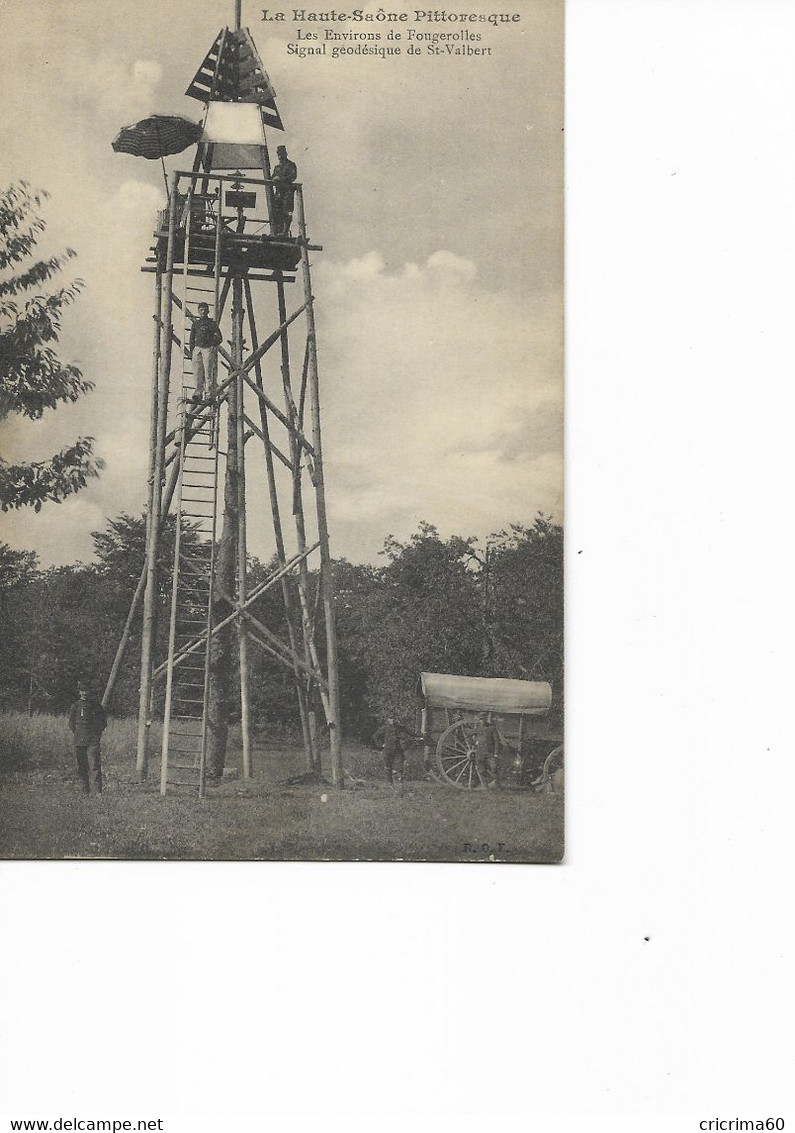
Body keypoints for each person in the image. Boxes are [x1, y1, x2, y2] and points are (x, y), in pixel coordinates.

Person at [68, 681, 107, 795]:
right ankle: (84, 791)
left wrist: (95, 734)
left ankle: (97, 792)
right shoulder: (75, 706)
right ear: (79, 692)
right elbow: (71, 724)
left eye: (86, 690)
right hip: (80, 740)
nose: (84, 693)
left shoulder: (96, 707)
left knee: (94, 765)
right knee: (82, 766)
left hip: (92, 741)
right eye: (82, 690)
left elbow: (103, 723)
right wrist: (79, 734)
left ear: (90, 692)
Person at [373, 715, 415, 793]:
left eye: (394, 718)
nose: (392, 720)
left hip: (397, 750)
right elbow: (375, 736)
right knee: (388, 767)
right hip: (387, 751)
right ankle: (390, 785)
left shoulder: (399, 727)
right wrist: (381, 745)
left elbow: (410, 732)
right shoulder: (385, 728)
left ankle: (401, 785)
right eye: (391, 718)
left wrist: (421, 734)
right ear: (388, 719)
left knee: (400, 766)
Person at [189, 302, 222, 400]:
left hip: (207, 349)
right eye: (201, 310)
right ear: (198, 311)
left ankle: (208, 394)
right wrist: (192, 350)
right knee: (197, 372)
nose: (203, 312)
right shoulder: (196, 324)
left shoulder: (212, 324)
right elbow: (191, 338)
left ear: (208, 311)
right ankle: (198, 393)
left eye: (204, 310)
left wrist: (212, 345)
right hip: (197, 349)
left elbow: (219, 338)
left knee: (208, 372)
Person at [271, 145, 297, 236]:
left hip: (287, 192)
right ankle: (278, 231)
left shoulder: (291, 165)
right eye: (278, 154)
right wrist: (274, 179)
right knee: (277, 211)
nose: (280, 156)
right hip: (278, 193)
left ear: (285, 154)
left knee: (287, 211)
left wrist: (281, 179)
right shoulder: (277, 167)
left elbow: (293, 176)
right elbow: (272, 177)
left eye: (282, 154)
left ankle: (285, 231)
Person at [473, 711, 503, 788]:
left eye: (483, 719)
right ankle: (485, 785)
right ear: (479, 720)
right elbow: (475, 737)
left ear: (486, 719)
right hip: (480, 751)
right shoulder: (478, 728)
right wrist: (476, 742)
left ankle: (497, 785)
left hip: (490, 751)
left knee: (494, 768)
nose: (482, 721)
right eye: (481, 719)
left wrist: (496, 752)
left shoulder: (492, 728)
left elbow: (497, 741)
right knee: (481, 769)